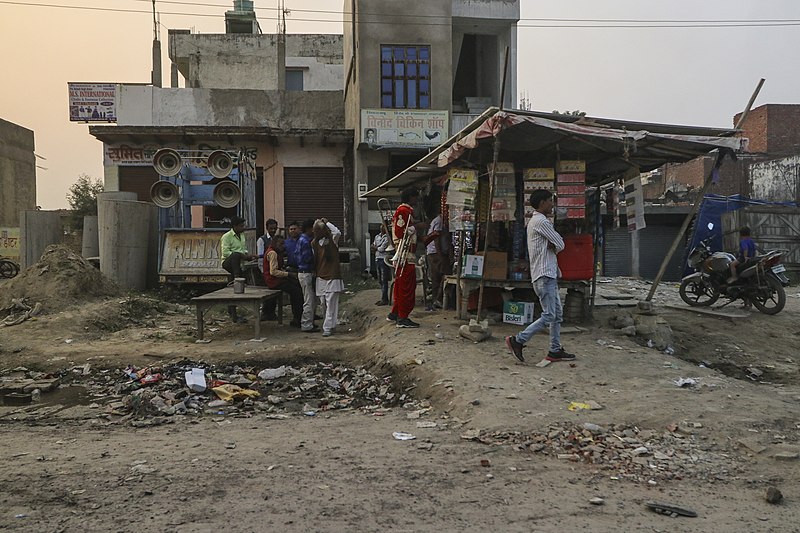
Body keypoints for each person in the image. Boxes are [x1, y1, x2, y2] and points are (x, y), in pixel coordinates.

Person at [505, 189, 576, 363]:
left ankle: (555, 349)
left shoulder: (537, 221)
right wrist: (555, 245)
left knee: (556, 315)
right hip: (544, 274)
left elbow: (556, 243)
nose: (552, 204)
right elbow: (560, 242)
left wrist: (554, 245)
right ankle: (518, 340)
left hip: (546, 274)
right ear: (543, 203)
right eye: (550, 201)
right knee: (550, 315)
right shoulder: (541, 221)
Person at [387, 187, 425, 328]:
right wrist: (417, 226)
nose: (417, 200)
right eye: (415, 197)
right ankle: (402, 317)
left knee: (401, 286)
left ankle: (396, 313)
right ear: (411, 198)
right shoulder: (404, 211)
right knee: (406, 287)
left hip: (405, 254)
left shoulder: (404, 211)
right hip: (405, 254)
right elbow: (401, 231)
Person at [262, 234, 304, 328]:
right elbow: (273, 271)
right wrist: (288, 274)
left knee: (297, 286)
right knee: (296, 292)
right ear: (275, 244)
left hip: (277, 279)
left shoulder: (275, 252)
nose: (283, 246)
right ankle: (297, 318)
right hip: (273, 281)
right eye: (281, 244)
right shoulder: (272, 253)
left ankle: (298, 316)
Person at [220, 216, 256, 323]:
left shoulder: (242, 235)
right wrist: (241, 255)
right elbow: (226, 252)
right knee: (235, 255)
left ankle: (233, 313)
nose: (243, 228)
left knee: (234, 290)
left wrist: (247, 255)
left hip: (238, 264)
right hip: (228, 262)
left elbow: (243, 250)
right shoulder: (226, 236)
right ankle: (237, 277)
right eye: (241, 226)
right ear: (234, 226)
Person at [312, 220, 344, 337]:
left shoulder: (332, 240)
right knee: (323, 303)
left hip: (332, 276)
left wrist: (327, 222)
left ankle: (327, 327)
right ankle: (331, 324)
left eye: (317, 230)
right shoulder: (314, 243)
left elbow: (337, 232)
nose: (315, 233)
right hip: (320, 277)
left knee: (331, 303)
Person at [294, 219, 319, 332]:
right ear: (309, 228)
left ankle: (309, 322)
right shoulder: (305, 241)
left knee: (310, 299)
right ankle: (306, 324)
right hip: (306, 272)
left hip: (302, 272)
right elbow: (307, 258)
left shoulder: (301, 240)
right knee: (309, 300)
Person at [423, 206, 448, 311]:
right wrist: (440, 255)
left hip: (434, 252)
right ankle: (437, 300)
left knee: (437, 277)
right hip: (435, 253)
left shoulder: (438, 221)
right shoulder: (439, 221)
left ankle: (436, 300)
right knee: (439, 276)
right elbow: (436, 238)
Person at [257, 218, 279, 320]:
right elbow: (261, 256)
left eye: (275, 228)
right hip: (266, 271)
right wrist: (263, 271)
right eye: (271, 228)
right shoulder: (262, 240)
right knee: (266, 293)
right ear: (267, 228)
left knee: (274, 293)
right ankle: (265, 313)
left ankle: (272, 312)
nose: (273, 230)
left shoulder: (277, 239)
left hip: (275, 270)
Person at [372, 225, 390, 306]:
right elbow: (374, 245)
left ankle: (385, 299)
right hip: (377, 258)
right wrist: (376, 247)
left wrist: (376, 247)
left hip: (384, 259)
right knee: (380, 280)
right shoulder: (377, 236)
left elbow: (382, 249)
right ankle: (383, 298)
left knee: (384, 279)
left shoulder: (387, 237)